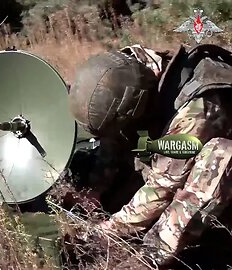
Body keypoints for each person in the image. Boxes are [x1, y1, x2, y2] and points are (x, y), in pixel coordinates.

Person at [67, 43, 232, 267]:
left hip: (218, 161)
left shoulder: (195, 112)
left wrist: (107, 231)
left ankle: (152, 256)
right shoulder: (130, 67)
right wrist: (96, 188)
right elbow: (112, 140)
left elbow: (163, 186)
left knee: (219, 157)